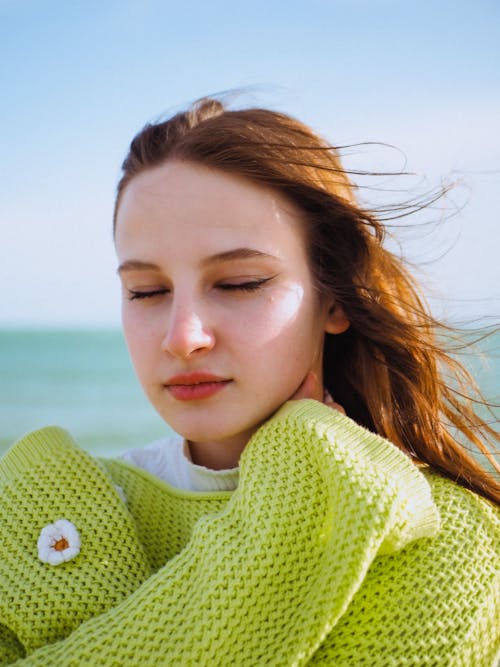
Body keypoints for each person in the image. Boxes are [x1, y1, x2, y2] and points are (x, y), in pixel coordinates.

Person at [0, 97, 498, 666]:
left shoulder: (449, 535)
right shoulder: (36, 511)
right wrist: (300, 500)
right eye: (146, 291)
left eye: (238, 283)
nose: (182, 337)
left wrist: (312, 484)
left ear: (335, 296)